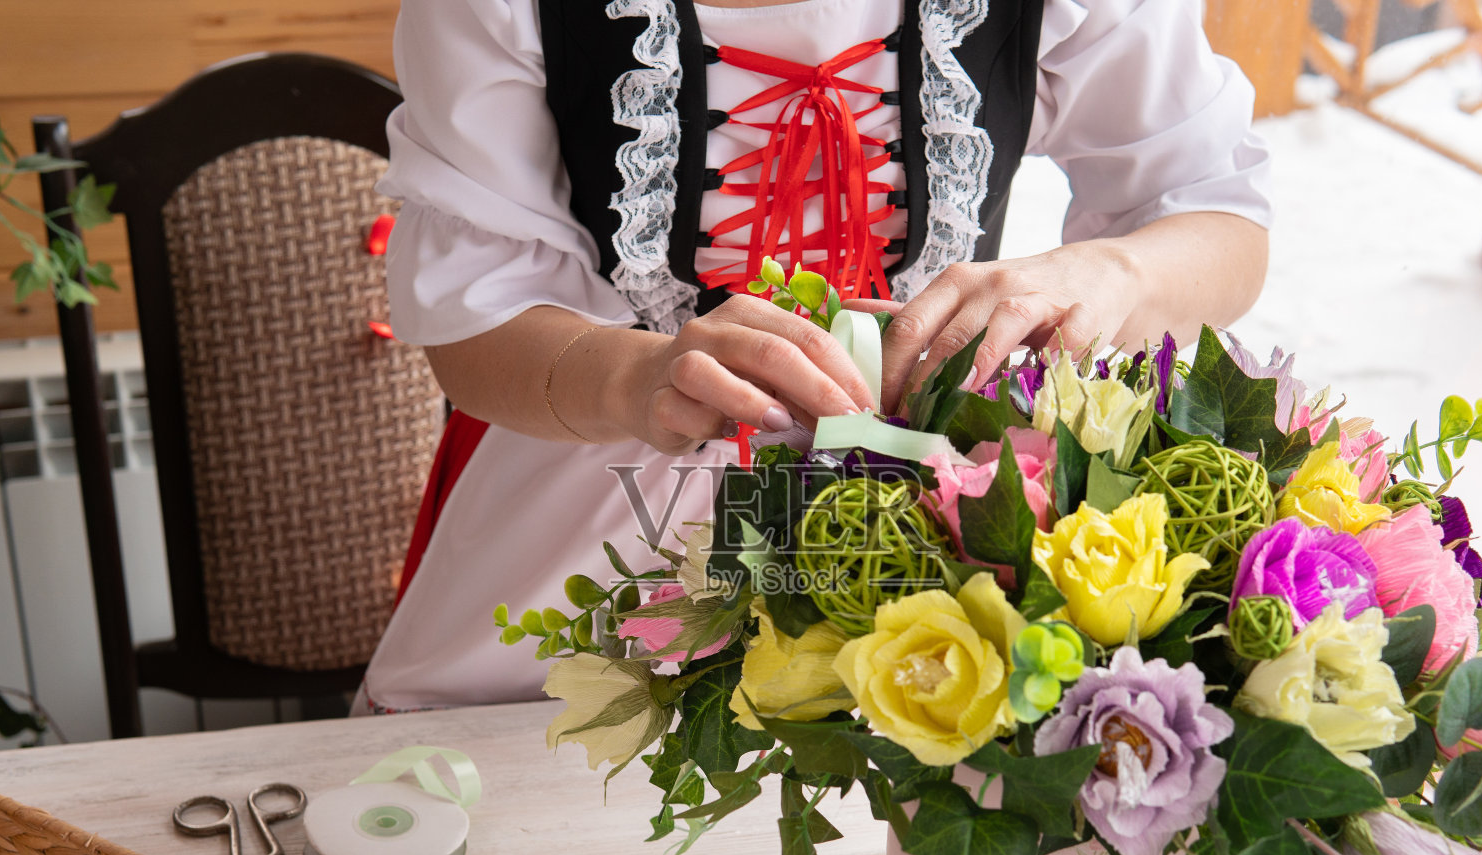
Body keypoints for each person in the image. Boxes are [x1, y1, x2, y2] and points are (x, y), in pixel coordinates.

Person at [356, 0, 1272, 714]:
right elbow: (476, 320)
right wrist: (639, 376)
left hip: (941, 558)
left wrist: (1105, 273)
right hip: (599, 523)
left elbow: (1216, 208)